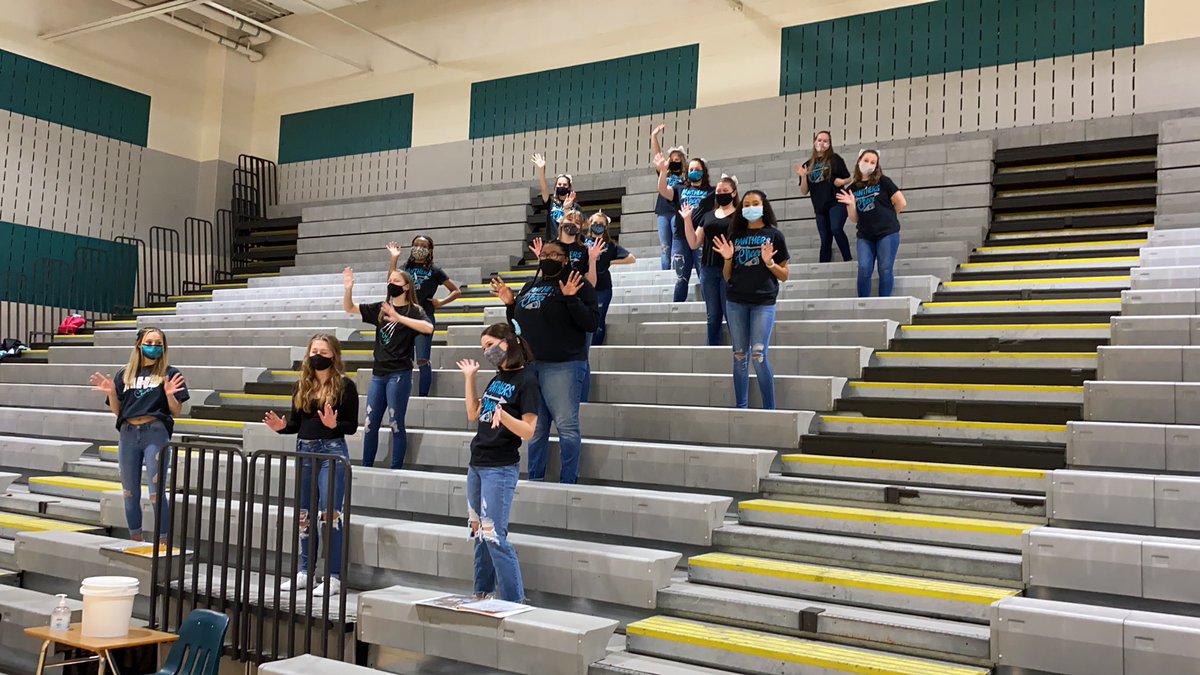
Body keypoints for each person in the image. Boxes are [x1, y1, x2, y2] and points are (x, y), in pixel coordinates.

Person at [490, 240, 598, 484]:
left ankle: (568, 481)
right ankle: (535, 478)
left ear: (566, 259)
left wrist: (571, 298)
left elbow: (591, 323)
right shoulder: (530, 285)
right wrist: (510, 304)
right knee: (536, 428)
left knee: (566, 426)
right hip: (531, 366)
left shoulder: (578, 283)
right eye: (545, 253)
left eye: (555, 254)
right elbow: (517, 325)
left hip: (564, 365)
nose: (548, 257)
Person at [263, 334, 359, 597]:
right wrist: (282, 428)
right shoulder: (301, 385)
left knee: (330, 516)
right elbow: (295, 424)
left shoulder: (345, 386)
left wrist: (333, 426)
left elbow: (350, 426)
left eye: (324, 351)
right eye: (314, 350)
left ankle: (334, 576)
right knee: (305, 515)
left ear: (333, 355)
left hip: (331, 451)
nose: (318, 355)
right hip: (305, 450)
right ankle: (305, 572)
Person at [456, 323, 540, 603]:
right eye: (483, 348)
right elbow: (473, 414)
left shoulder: (527, 379)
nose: (486, 352)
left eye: (489, 345)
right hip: (477, 462)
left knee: (494, 535)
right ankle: (482, 593)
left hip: (500, 467)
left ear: (507, 342)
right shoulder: (497, 377)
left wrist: (504, 417)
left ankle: (514, 600)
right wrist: (470, 378)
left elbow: (529, 431)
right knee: (479, 532)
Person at [89, 327, 188, 543]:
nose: (154, 346)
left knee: (155, 492)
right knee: (129, 493)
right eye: (150, 342)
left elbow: (176, 411)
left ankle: (163, 542)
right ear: (139, 345)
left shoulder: (170, 373)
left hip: (155, 433)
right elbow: (118, 412)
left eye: (158, 343)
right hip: (128, 434)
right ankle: (136, 539)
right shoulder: (124, 374)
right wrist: (112, 393)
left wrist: (170, 395)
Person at [342, 266, 433, 469]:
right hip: (378, 373)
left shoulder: (415, 311)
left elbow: (429, 328)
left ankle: (396, 469)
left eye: (396, 281)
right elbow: (349, 308)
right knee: (369, 423)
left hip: (399, 373)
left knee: (395, 423)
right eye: (389, 280)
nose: (391, 284)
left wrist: (399, 318)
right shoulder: (380, 308)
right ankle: (366, 467)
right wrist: (348, 288)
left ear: (407, 286)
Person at [712, 190, 790, 410]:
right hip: (736, 302)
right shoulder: (735, 236)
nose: (750, 207)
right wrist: (728, 258)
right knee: (739, 356)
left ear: (764, 206)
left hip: (763, 303)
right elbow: (728, 276)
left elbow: (784, 275)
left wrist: (770, 264)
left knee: (759, 355)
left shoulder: (775, 236)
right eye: (746, 204)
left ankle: (769, 410)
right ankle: (742, 407)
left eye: (755, 203)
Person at [387, 236, 461, 397]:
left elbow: (456, 291)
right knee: (401, 359)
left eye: (423, 245)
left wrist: (441, 302)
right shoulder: (404, 267)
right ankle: (400, 393)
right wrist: (394, 258)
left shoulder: (435, 270)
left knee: (422, 359)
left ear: (430, 250)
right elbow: (391, 280)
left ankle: (423, 396)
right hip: (403, 318)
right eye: (416, 245)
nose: (419, 248)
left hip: (423, 318)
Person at [837, 149, 907, 298]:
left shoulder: (884, 181)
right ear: (859, 161)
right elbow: (854, 219)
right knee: (863, 268)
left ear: (876, 166)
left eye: (873, 162)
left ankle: (884, 301)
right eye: (866, 160)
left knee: (885, 269)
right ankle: (863, 303)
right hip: (865, 234)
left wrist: (889, 216)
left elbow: (901, 202)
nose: (868, 164)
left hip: (887, 232)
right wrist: (851, 204)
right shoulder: (852, 189)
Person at [682, 174, 738, 346]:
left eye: (725, 191)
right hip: (708, 269)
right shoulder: (708, 215)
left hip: (730, 270)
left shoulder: (740, 215)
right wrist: (687, 220)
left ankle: (739, 351)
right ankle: (712, 350)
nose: (721, 193)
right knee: (712, 315)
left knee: (731, 313)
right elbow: (693, 243)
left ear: (734, 193)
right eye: (718, 191)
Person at [655, 152, 714, 302]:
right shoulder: (679, 188)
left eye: (697, 169)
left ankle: (709, 308)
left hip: (701, 238)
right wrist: (662, 171)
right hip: (680, 238)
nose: (694, 172)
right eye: (691, 169)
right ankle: (676, 311)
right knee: (681, 278)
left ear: (704, 171)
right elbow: (663, 190)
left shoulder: (711, 191)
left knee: (704, 277)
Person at [795, 131, 853, 263]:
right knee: (825, 239)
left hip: (836, 201)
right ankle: (824, 265)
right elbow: (804, 191)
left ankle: (848, 259)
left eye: (825, 141)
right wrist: (804, 176)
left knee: (836, 228)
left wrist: (841, 182)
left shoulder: (835, 159)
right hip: (820, 207)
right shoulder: (807, 165)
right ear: (814, 142)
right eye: (819, 140)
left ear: (829, 144)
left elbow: (849, 178)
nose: (822, 143)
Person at [584, 210, 634, 347]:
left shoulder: (610, 245)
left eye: (601, 224)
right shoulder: (582, 241)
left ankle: (596, 349)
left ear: (606, 226)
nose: (598, 225)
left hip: (603, 288)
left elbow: (631, 258)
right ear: (589, 224)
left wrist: (611, 262)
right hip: (584, 286)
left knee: (598, 320)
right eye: (595, 223)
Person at [650, 124, 688, 271]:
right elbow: (658, 155)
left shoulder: (686, 177)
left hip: (677, 212)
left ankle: (676, 272)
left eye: (677, 159)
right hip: (663, 212)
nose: (674, 161)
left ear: (682, 160)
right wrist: (654, 137)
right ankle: (665, 272)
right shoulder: (665, 173)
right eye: (672, 159)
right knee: (665, 246)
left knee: (676, 244)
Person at [530, 153, 580, 241]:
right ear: (555, 186)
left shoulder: (575, 207)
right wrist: (542, 170)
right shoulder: (551, 202)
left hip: (569, 242)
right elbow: (544, 188)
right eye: (559, 184)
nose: (561, 186)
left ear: (569, 187)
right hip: (552, 243)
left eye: (564, 185)